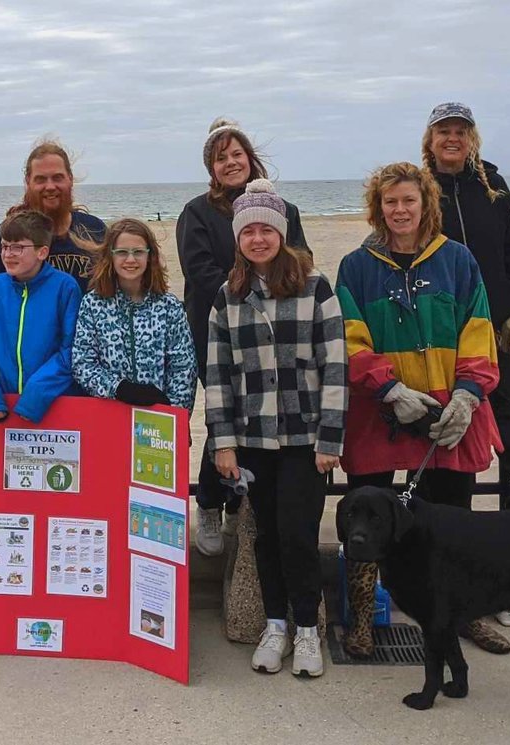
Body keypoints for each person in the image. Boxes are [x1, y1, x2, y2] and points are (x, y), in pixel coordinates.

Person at [336, 162, 507, 658]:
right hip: (380, 416)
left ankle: (465, 612)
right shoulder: (357, 265)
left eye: (408, 200)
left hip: (446, 416)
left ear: (425, 203)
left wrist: (469, 393)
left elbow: (478, 327)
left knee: (454, 521)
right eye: (390, 202)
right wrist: (388, 389)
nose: (400, 210)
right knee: (364, 524)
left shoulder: (457, 260)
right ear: (378, 207)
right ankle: (363, 620)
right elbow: (351, 335)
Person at [205, 179, 346, 678]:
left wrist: (331, 439)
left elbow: (335, 366)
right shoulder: (228, 295)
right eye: (249, 231)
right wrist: (223, 443)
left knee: (298, 534)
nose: (258, 239)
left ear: (282, 234)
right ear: (238, 239)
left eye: (267, 229)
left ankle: (307, 629)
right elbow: (218, 374)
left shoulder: (316, 285)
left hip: (306, 440)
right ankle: (275, 625)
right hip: (253, 438)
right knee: (264, 536)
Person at [177, 118, 311, 557]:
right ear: (211, 168)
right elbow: (200, 272)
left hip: (275, 334)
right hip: (215, 331)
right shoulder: (197, 213)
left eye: (237, 154)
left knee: (261, 420)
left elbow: (300, 260)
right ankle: (211, 503)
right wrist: (248, 292)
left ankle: (240, 501)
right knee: (225, 419)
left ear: (250, 158)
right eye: (221, 158)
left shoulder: (284, 209)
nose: (231, 163)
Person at [422, 102, 510, 510]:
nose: (452, 138)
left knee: (505, 410)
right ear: (431, 140)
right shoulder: (420, 188)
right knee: (447, 414)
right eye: (444, 131)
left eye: (460, 130)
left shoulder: (493, 184)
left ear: (471, 137)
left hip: (494, 324)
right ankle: (450, 510)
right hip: (440, 329)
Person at [0, 139, 105, 395]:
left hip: (82, 376)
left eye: (58, 177)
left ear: (70, 180)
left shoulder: (94, 232)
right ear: (28, 182)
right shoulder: (5, 239)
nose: (50, 186)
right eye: (41, 179)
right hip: (16, 379)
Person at [0, 210, 82, 424]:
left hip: (53, 404)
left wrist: (36, 395)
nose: (8, 254)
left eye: (18, 247)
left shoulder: (65, 288)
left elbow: (71, 351)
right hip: (0, 406)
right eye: (4, 246)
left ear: (42, 252)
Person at [71, 218, 196, 411]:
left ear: (150, 256)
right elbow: (83, 364)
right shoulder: (92, 304)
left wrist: (174, 415)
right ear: (110, 257)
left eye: (138, 252)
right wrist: (119, 388)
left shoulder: (169, 306)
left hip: (158, 418)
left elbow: (183, 368)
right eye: (122, 252)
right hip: (109, 414)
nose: (130, 260)